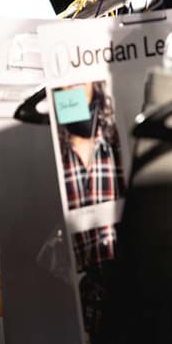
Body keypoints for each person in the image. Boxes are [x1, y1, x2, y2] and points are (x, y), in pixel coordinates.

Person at [54, 80, 125, 272]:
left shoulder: (118, 142)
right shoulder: (53, 157)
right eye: (68, 80)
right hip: (78, 292)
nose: (75, 82)